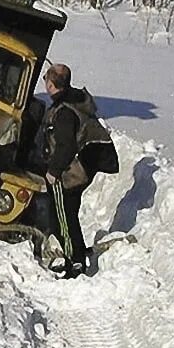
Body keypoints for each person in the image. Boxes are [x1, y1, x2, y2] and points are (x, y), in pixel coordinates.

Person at [40, 62, 107, 279]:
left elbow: (66, 145)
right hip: (77, 172)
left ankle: (75, 263)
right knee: (69, 215)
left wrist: (54, 171)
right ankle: (75, 257)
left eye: (46, 81)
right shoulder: (73, 102)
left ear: (51, 84)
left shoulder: (64, 112)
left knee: (62, 219)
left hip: (65, 175)